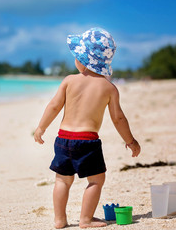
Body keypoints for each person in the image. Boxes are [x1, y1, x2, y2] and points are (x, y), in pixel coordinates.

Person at [34, 27, 141, 229]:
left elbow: (54, 106)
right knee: (96, 180)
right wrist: (130, 141)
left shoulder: (69, 81)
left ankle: (59, 220)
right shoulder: (109, 88)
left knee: (62, 181)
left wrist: (41, 127)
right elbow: (118, 119)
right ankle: (85, 219)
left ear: (83, 60)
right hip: (87, 141)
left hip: (63, 139)